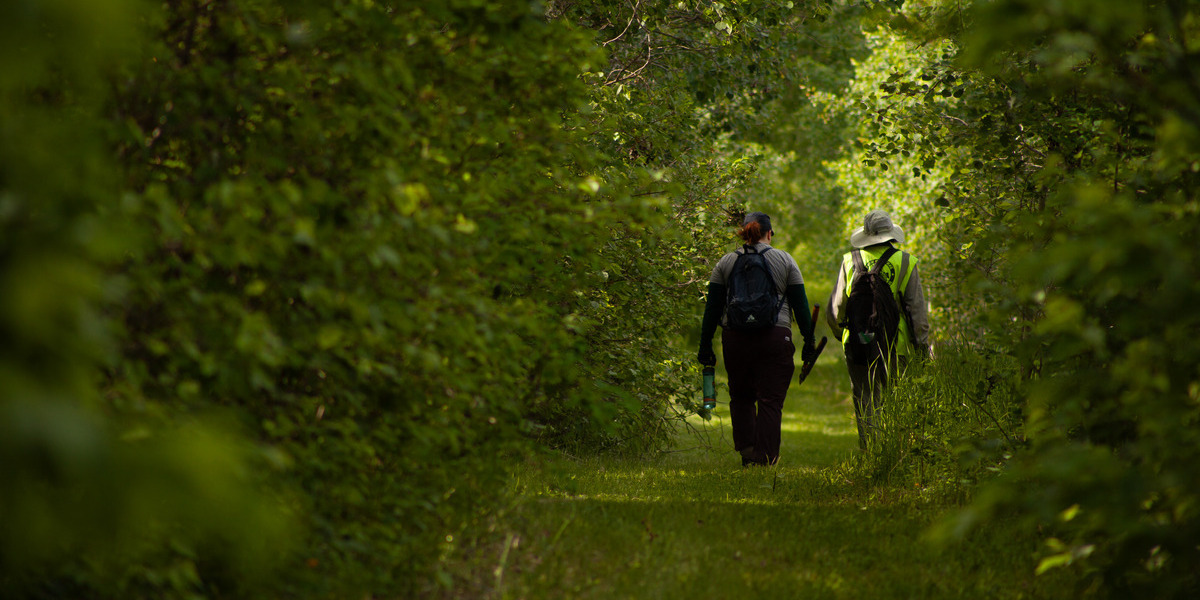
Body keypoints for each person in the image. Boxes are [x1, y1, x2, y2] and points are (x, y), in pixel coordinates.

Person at [697, 211, 817, 466]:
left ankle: (747, 452)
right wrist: (809, 341)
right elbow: (801, 307)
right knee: (770, 400)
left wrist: (705, 344)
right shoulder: (785, 260)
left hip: (736, 338)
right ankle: (765, 458)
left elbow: (713, 309)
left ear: (744, 233)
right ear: (769, 233)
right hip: (775, 337)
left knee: (741, 396)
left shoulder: (726, 262)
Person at [826, 210, 930, 448]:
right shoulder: (905, 261)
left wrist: (841, 333)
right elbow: (917, 311)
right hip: (897, 343)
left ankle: (871, 453)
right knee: (895, 398)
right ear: (890, 233)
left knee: (865, 399)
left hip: (858, 341)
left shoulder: (850, 260)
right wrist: (922, 346)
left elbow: (836, 308)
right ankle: (894, 451)